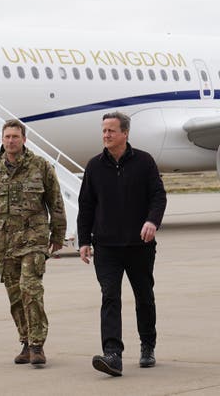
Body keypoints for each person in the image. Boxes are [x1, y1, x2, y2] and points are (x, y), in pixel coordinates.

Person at [0, 119, 66, 366]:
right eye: (7, 137)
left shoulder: (40, 167)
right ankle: (25, 342)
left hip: (34, 239)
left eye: (15, 136)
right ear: (2, 140)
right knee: (14, 295)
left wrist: (58, 235)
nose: (11, 141)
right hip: (5, 242)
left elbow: (55, 202)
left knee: (30, 288)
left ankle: (37, 345)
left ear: (24, 139)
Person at [77, 111, 167, 377]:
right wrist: (84, 241)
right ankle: (112, 354)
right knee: (110, 297)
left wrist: (152, 221)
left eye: (111, 131)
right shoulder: (94, 166)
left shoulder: (144, 162)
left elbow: (158, 197)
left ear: (125, 133)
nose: (106, 135)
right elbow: (86, 206)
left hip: (139, 245)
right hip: (106, 247)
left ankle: (147, 345)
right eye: (104, 131)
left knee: (144, 297)